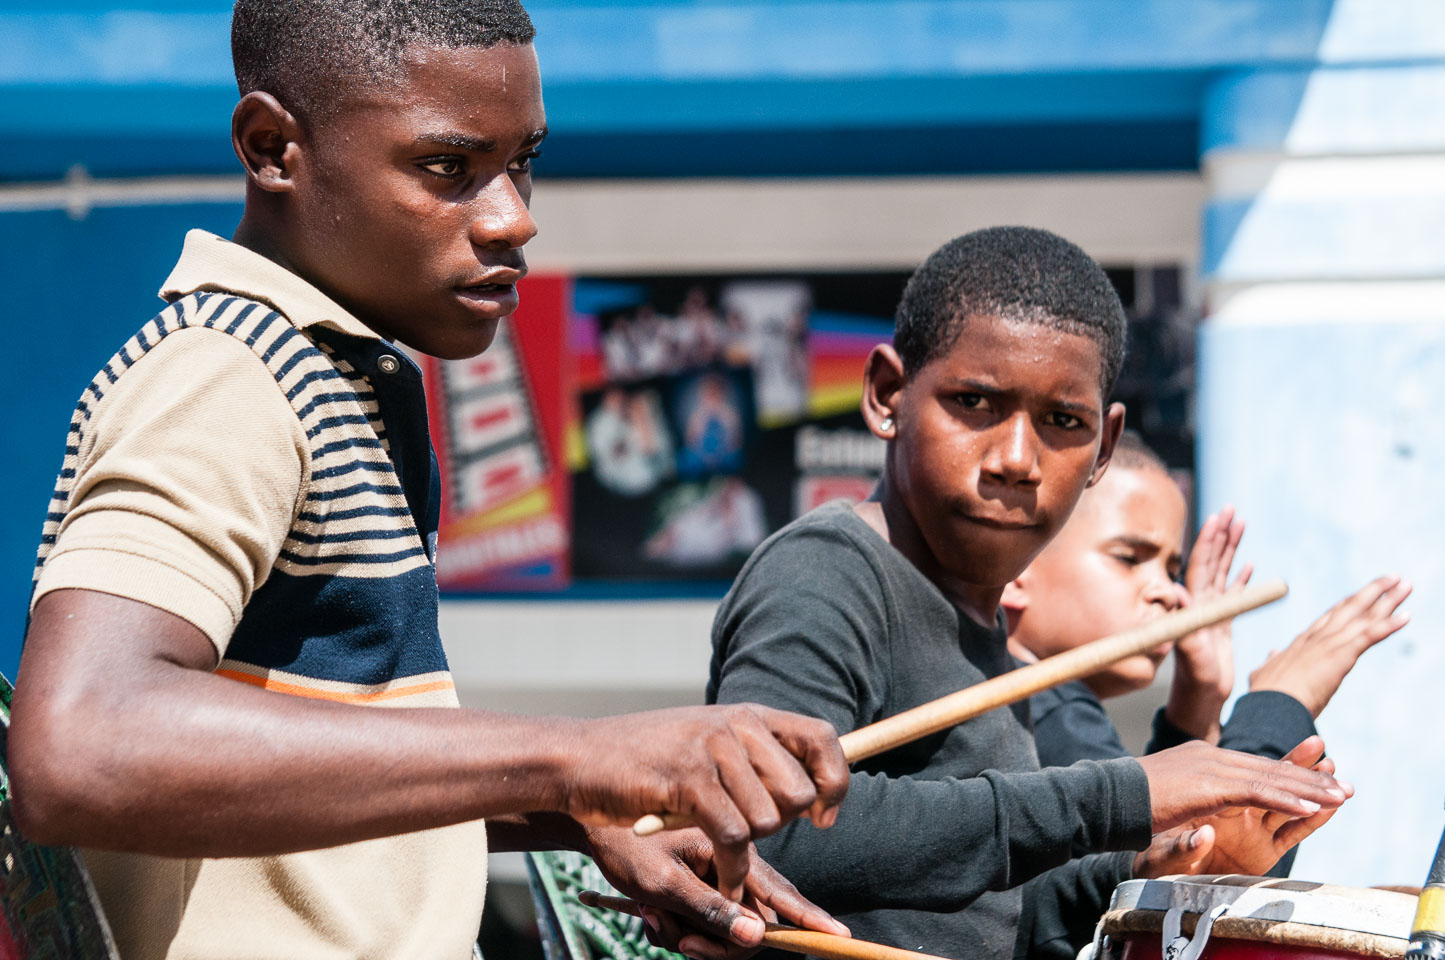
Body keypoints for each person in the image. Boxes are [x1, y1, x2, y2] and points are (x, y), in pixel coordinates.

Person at [10, 3, 852, 958]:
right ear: (273, 147)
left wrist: (578, 814)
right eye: (447, 168)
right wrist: (574, 759)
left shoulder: (332, 377)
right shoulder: (228, 375)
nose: (513, 217)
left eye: (522, 160)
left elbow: (296, 774)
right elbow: (81, 743)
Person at [705, 226, 1350, 960]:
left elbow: (984, 908)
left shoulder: (986, 633)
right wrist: (1121, 798)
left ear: (1102, 448)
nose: (1015, 459)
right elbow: (769, 831)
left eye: (1062, 423)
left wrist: (1149, 860)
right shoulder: (828, 571)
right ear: (887, 396)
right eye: (974, 402)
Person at [1003, 431, 1409, 958]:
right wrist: (1282, 701)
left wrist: (1196, 708)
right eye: (1130, 557)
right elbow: (1189, 878)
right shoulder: (1044, 708)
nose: (1169, 591)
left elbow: (1132, 840)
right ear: (1016, 569)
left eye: (1172, 568)